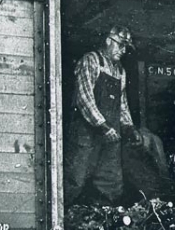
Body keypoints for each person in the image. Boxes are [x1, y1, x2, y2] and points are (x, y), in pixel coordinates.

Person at [66, 25, 169, 205]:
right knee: (76, 179)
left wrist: (129, 128)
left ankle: (102, 222)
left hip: (110, 138)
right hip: (87, 136)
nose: (123, 51)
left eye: (126, 47)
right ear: (108, 40)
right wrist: (103, 126)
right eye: (120, 45)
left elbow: (122, 106)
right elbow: (85, 99)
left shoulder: (120, 70)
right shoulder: (91, 60)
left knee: (111, 183)